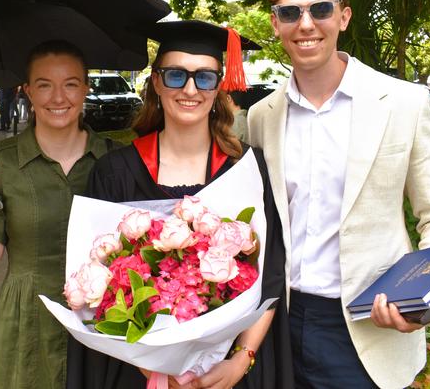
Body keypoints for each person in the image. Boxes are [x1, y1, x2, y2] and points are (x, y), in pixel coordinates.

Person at [246, 0, 430, 388]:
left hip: (367, 327)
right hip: (279, 320)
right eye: (290, 12)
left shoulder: (403, 102)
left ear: (343, 17)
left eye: (320, 9)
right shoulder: (260, 117)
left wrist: (423, 298)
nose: (305, 24)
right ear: (276, 24)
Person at [66, 21, 293, 389]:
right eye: (176, 75)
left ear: (219, 85)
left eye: (204, 77)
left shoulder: (248, 170)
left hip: (229, 373)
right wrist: (155, 366)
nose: (190, 89)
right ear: (156, 81)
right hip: (137, 369)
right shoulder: (115, 172)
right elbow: (96, 282)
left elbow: (272, 276)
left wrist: (241, 360)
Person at [0, 40, 114, 389]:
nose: (58, 97)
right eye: (44, 85)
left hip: (106, 320)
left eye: (70, 84)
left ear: (85, 88)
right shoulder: (1, 161)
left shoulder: (116, 160)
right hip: (28, 322)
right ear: (26, 91)